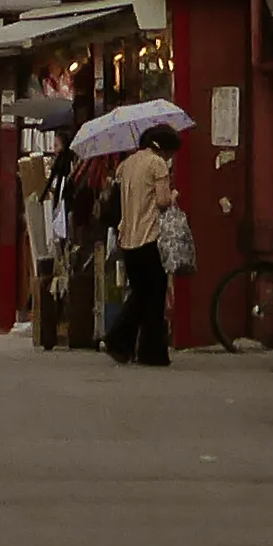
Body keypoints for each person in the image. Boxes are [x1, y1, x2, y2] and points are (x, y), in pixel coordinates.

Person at [105, 125, 180, 368]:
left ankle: (131, 347)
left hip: (128, 237)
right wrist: (174, 195)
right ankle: (132, 345)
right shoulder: (157, 164)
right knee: (153, 296)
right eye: (171, 152)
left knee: (141, 292)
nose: (171, 157)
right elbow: (163, 201)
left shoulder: (126, 165)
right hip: (150, 236)